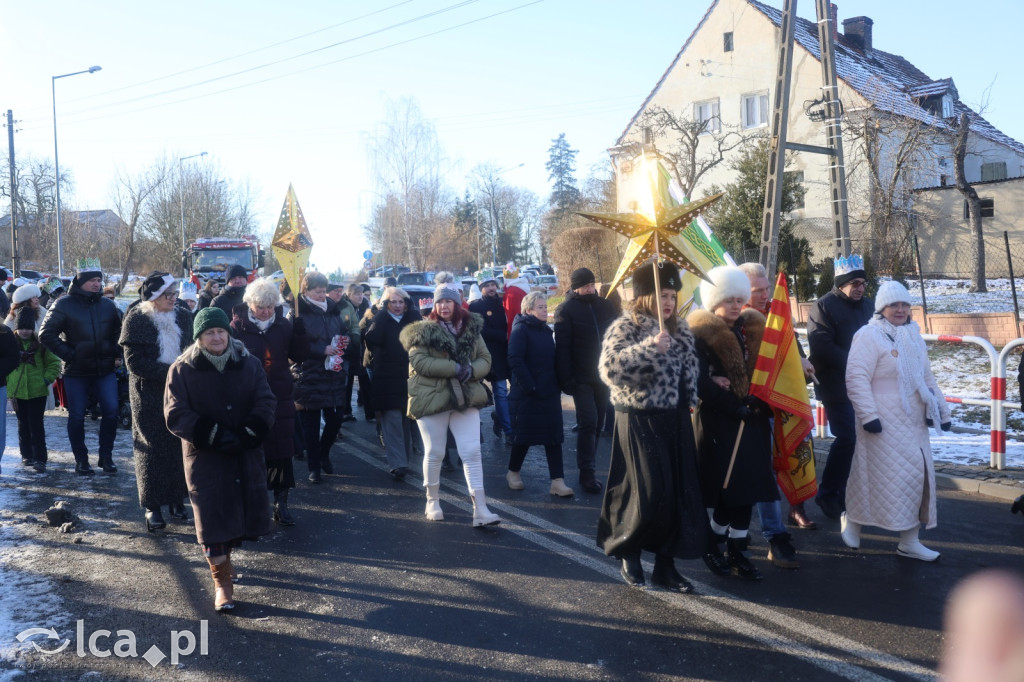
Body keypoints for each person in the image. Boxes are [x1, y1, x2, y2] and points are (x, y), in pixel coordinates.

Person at [597, 262, 706, 591]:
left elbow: (688, 371)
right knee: (646, 492)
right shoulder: (626, 327)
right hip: (638, 416)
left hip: (675, 419)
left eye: (672, 295)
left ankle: (665, 565)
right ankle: (627, 551)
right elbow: (609, 369)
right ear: (645, 296)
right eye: (662, 294)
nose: (669, 302)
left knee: (675, 494)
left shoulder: (681, 329)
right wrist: (648, 349)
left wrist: (693, 395)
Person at [164, 306, 276, 612]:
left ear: (229, 333)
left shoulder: (249, 364)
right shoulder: (182, 369)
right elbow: (175, 414)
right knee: (211, 522)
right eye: (209, 332)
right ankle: (222, 586)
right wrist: (213, 435)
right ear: (199, 337)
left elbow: (266, 400)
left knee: (237, 518)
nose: (216, 337)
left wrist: (248, 433)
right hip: (205, 459)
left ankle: (226, 566)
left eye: (221, 331)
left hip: (244, 454)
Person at [840, 281, 950, 561]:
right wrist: (868, 415)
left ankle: (909, 541)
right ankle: (853, 521)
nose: (900, 310)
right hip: (880, 421)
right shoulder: (868, 335)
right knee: (873, 477)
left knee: (915, 477)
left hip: (913, 421)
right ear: (882, 309)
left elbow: (926, 378)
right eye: (893, 305)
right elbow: (856, 377)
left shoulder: (913, 335)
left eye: (904, 304)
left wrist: (941, 411)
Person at [688, 265, 778, 581]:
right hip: (719, 423)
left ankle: (738, 551)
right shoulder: (698, 334)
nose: (737, 306)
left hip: (751, 419)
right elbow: (698, 381)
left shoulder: (752, 328)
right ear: (714, 302)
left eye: (740, 299)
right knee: (729, 491)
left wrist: (758, 399)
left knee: (749, 490)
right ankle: (714, 544)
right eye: (729, 300)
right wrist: (731, 404)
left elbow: (768, 371)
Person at [400, 283, 500, 526]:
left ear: (457, 303)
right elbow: (420, 361)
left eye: (449, 301)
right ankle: (432, 500)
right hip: (431, 397)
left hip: (464, 397)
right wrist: (456, 368)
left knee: (472, 452)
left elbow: (485, 358)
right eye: (440, 301)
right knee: (435, 452)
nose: (444, 305)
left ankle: (481, 509)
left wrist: (472, 370)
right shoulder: (423, 331)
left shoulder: (471, 329)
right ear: (434, 305)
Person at [737, 262, 802, 569]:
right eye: (756, 290)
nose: (764, 295)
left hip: (777, 406)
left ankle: (772, 534)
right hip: (745, 409)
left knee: (772, 470)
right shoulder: (734, 321)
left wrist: (802, 362)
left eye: (766, 288)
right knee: (756, 474)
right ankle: (750, 534)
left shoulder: (776, 315)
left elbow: (792, 350)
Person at [119, 272, 194, 531]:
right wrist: (171, 371)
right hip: (148, 392)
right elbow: (134, 362)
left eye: (175, 294)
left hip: (180, 391)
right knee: (151, 448)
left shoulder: (184, 314)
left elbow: (194, 348)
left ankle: (176, 499)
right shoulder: (137, 318)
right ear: (154, 297)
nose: (174, 299)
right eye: (168, 295)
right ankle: (152, 506)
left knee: (178, 443)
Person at [231, 278, 308, 526]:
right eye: (261, 306)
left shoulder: (283, 326)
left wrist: (300, 331)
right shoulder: (236, 327)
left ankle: (281, 503)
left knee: (282, 450)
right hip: (248, 396)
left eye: (270, 306)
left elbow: (299, 355)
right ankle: (252, 503)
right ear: (250, 304)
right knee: (253, 448)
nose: (266, 311)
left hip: (280, 395)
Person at [39, 262, 123, 475]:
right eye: (92, 280)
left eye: (99, 280)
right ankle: (81, 460)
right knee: (76, 415)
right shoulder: (64, 304)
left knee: (111, 411)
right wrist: (70, 354)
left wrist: (114, 352)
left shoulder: (107, 305)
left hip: (104, 369)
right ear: (81, 282)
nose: (97, 284)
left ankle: (106, 457)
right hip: (76, 371)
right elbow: (46, 334)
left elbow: (119, 332)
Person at [807, 254, 873, 520]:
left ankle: (849, 491)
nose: (860, 288)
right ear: (842, 283)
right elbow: (821, 346)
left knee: (864, 440)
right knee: (847, 437)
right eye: (855, 283)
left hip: (867, 384)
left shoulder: (869, 306)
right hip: (836, 384)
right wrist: (858, 363)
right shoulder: (823, 306)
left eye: (863, 283)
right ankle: (827, 493)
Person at [553, 267, 618, 493]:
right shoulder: (566, 310)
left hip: (603, 376)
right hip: (580, 378)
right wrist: (566, 379)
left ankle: (590, 467)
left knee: (599, 422)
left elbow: (617, 337)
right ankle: (586, 473)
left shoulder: (606, 305)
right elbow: (562, 349)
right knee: (588, 421)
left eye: (592, 285)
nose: (590, 289)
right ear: (575, 288)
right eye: (586, 286)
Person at [505, 291, 573, 497]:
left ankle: (557, 481)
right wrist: (531, 387)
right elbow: (515, 359)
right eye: (541, 307)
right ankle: (513, 473)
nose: (545, 310)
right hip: (528, 394)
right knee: (524, 436)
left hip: (549, 392)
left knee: (554, 437)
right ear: (529, 310)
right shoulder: (521, 330)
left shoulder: (545, 330)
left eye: (545, 306)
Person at [290, 271, 349, 484]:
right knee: (310, 427)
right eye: (317, 292)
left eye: (324, 291)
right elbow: (293, 346)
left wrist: (344, 342)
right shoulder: (297, 313)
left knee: (335, 420)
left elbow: (343, 332)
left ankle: (323, 453)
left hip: (333, 373)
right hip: (307, 375)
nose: (322, 295)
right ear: (306, 291)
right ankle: (314, 467)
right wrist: (320, 349)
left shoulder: (333, 310)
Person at [363, 286, 421, 479]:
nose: (397, 306)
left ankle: (404, 460)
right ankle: (398, 464)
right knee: (392, 421)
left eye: (401, 302)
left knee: (407, 422)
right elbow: (371, 339)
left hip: (409, 378)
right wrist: (380, 315)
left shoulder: (413, 320)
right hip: (386, 379)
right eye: (393, 302)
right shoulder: (381, 320)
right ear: (386, 304)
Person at [468, 275, 511, 442]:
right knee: (499, 391)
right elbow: (481, 330)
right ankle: (509, 431)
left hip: (507, 352)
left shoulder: (504, 303)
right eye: (487, 285)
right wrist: (506, 336)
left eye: (493, 284)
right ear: (481, 288)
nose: (492, 288)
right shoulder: (475, 306)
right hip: (488, 354)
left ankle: (500, 417)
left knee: (514, 392)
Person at [5, 308, 43, 472]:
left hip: (37, 391)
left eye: (28, 328)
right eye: (22, 328)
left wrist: (46, 379)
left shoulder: (40, 345)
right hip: (17, 392)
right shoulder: (10, 344)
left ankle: (40, 457)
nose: (25, 331)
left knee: (36, 425)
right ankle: (26, 454)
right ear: (16, 328)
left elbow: (54, 363)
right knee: (23, 425)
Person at [327, 281, 361, 423]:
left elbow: (354, 325)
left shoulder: (347, 306)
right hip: (327, 353)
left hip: (344, 353)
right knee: (328, 388)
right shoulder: (324, 306)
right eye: (336, 291)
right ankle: (331, 420)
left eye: (341, 291)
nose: (339, 294)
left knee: (343, 385)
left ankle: (338, 420)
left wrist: (354, 338)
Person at [343, 283, 373, 422]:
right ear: (349, 295)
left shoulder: (366, 307)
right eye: (356, 294)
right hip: (348, 350)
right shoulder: (344, 307)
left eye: (361, 294)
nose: (360, 296)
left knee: (366, 382)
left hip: (362, 349)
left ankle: (370, 413)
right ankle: (346, 412)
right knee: (347, 383)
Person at [501, 263, 530, 339]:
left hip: (516, 331)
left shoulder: (511, 293)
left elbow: (510, 316)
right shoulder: (522, 289)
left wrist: (510, 335)